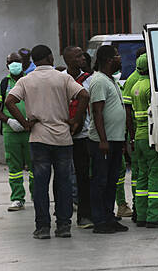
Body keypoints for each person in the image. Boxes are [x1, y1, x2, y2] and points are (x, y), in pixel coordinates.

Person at [5, 45, 89, 240]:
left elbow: (10, 101)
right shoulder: (63, 77)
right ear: (50, 57)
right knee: (64, 183)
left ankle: (42, 228)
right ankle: (63, 226)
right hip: (62, 137)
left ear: (34, 60)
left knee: (41, 185)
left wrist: (25, 123)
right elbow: (84, 95)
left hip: (38, 137)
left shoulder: (26, 80)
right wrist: (76, 119)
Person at [131, 54, 158, 228]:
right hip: (152, 138)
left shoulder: (136, 85)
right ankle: (155, 216)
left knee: (142, 176)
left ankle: (141, 215)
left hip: (139, 137)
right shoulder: (152, 86)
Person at [88, 45, 128, 234]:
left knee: (112, 180)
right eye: (118, 56)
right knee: (100, 181)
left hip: (115, 139)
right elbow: (97, 111)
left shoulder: (111, 80)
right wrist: (103, 140)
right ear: (109, 60)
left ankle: (109, 217)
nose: (120, 59)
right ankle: (99, 220)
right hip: (103, 142)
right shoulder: (99, 81)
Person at [0, 52, 33, 212]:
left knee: (34, 165)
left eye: (17, 61)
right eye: (11, 62)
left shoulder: (30, 81)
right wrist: (9, 120)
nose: (15, 64)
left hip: (31, 130)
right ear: (6, 65)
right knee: (14, 168)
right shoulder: (2, 84)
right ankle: (17, 198)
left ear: (23, 64)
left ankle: (37, 196)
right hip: (11, 131)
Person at [62, 46, 92, 229]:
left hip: (83, 135)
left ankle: (85, 215)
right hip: (62, 135)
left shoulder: (88, 80)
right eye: (78, 56)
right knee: (63, 176)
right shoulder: (60, 79)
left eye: (82, 55)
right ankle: (63, 215)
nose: (82, 58)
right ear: (67, 60)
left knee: (83, 176)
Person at [120, 47, 146, 222]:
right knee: (139, 173)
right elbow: (127, 111)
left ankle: (141, 207)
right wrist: (131, 137)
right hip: (138, 134)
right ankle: (139, 206)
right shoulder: (133, 80)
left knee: (141, 173)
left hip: (142, 134)